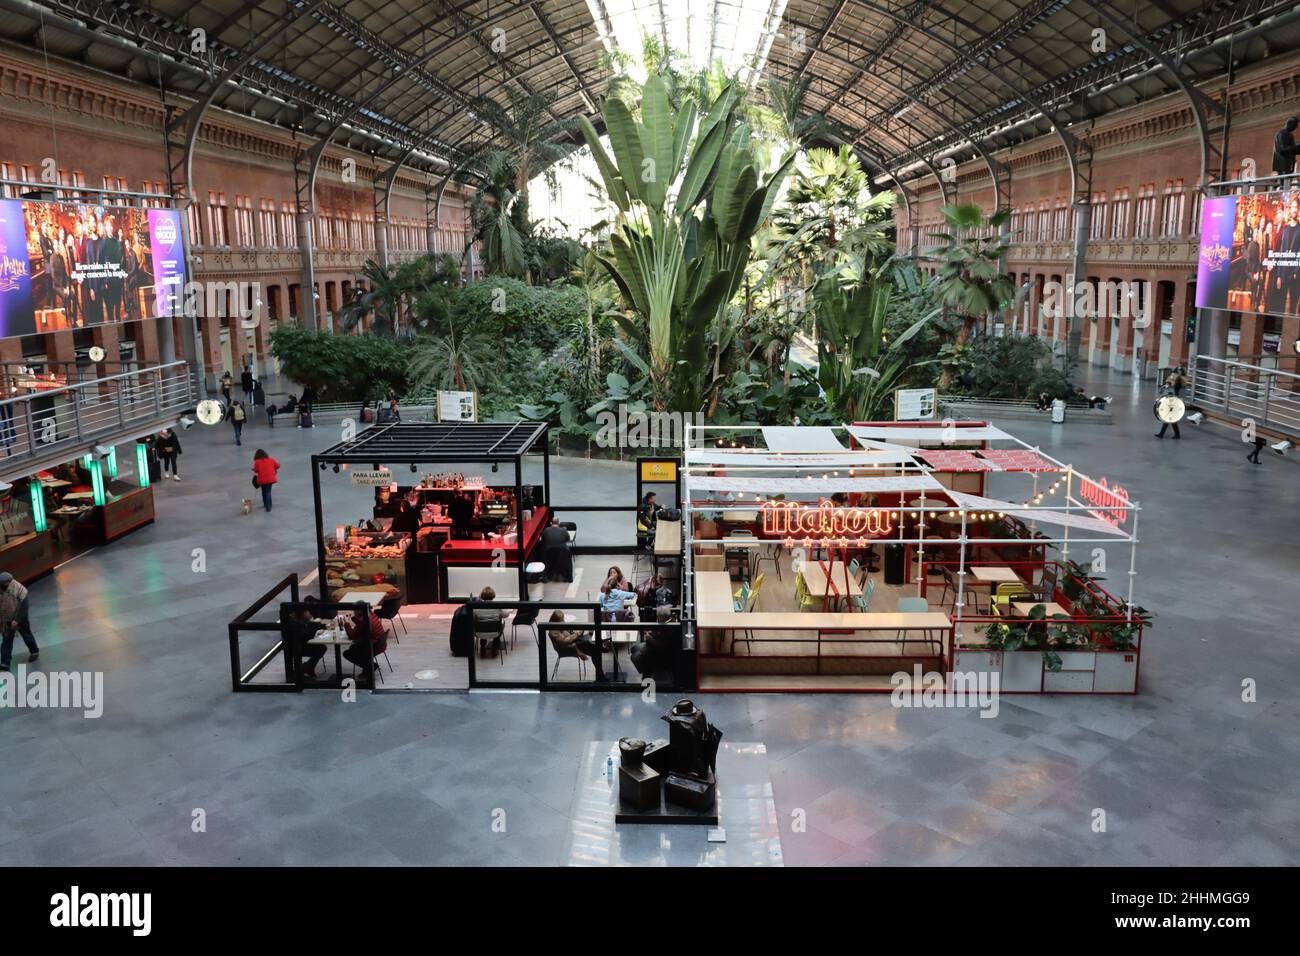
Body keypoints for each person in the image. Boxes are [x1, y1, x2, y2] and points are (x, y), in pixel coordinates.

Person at [546, 610, 607, 682]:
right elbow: (565, 642)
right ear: (556, 620)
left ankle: (601, 676)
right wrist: (577, 634)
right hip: (569, 647)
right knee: (594, 650)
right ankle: (601, 649)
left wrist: (576, 632)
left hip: (574, 642)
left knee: (591, 645)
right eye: (561, 619)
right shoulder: (553, 631)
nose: (563, 621)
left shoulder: (559, 625)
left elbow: (570, 633)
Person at [0, 571, 38, 672]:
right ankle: (5, 663)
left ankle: (34, 651)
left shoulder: (18, 588)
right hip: (6, 618)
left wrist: (17, 620)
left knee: (26, 634)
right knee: (6, 640)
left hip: (20, 617)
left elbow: (24, 606)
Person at [342, 604, 387, 677]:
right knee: (353, 648)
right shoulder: (371, 615)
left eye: (355, 610)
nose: (354, 612)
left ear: (359, 611)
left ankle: (371, 667)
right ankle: (368, 667)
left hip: (374, 646)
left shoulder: (363, 620)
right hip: (380, 643)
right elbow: (361, 629)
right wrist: (355, 619)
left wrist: (346, 623)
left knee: (347, 653)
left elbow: (352, 635)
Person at [285, 599, 326, 677]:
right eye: (308, 612)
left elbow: (312, 625)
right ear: (303, 613)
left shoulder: (303, 621)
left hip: (301, 644)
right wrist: (316, 626)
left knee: (322, 647)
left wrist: (324, 626)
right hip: (298, 647)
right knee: (321, 648)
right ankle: (304, 668)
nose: (310, 613)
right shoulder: (297, 624)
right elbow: (308, 635)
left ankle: (308, 667)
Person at [472, 586, 506, 656]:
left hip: (479, 633)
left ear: (482, 596)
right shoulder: (497, 606)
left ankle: (482, 647)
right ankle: (495, 648)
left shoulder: (477, 607)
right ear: (493, 595)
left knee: (483, 622)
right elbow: (505, 615)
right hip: (496, 632)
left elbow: (472, 616)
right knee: (503, 623)